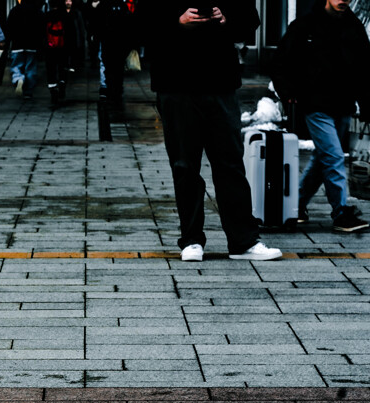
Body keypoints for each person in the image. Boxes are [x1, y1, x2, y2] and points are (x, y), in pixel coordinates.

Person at [136, 0, 282, 260]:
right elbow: (140, 25)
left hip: (220, 81)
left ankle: (243, 241)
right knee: (184, 165)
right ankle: (191, 240)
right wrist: (177, 21)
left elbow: (251, 20)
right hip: (175, 81)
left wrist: (226, 18)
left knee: (230, 164)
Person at [273, 0, 370, 232]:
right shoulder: (306, 25)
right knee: (334, 156)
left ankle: (295, 206)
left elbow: (365, 69)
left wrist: (366, 104)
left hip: (343, 105)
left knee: (323, 158)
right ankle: (341, 213)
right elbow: (281, 61)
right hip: (315, 105)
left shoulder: (354, 27)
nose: (343, 0)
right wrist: (288, 93)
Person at [43, 0, 86, 107]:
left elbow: (42, 33)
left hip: (49, 48)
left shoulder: (46, 16)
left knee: (51, 69)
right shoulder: (65, 16)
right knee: (62, 67)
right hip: (63, 47)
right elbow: (71, 32)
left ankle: (53, 89)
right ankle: (62, 84)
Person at [93, 0, 137, 105]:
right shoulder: (122, 6)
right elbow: (129, 24)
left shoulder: (104, 5)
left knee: (109, 68)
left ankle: (110, 90)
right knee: (118, 69)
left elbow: (98, 24)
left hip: (108, 42)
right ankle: (117, 91)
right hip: (119, 43)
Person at [5, 0, 46, 98]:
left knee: (16, 65)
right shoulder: (37, 11)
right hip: (32, 44)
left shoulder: (14, 10)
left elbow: (9, 27)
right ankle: (28, 91)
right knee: (31, 68)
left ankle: (18, 78)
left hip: (17, 44)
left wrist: (8, 41)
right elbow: (42, 29)